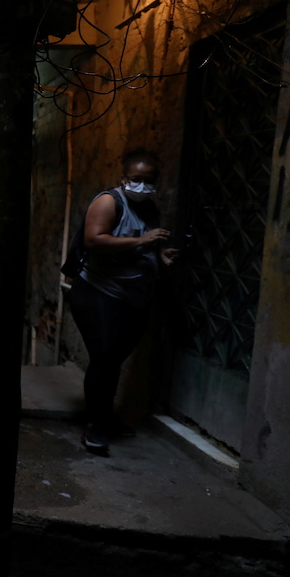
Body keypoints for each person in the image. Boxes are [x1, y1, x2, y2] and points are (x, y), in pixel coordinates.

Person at [68, 149, 178, 456]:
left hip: (135, 297)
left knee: (113, 359)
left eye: (149, 180)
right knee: (104, 357)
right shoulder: (109, 201)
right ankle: (95, 426)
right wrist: (142, 241)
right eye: (136, 179)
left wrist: (161, 255)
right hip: (99, 292)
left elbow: (151, 243)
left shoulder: (150, 210)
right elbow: (94, 240)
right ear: (124, 178)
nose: (142, 186)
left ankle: (104, 414)